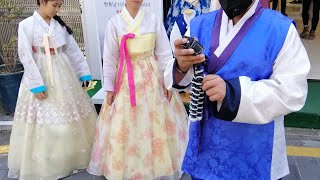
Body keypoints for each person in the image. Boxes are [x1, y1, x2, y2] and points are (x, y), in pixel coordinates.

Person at [164, 0, 310, 179]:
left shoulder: (280, 29)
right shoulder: (199, 25)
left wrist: (232, 93)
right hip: (205, 150)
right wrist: (181, 66)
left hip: (256, 153)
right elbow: (184, 79)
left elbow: (292, 91)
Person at [87, 0, 189, 179]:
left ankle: (156, 165)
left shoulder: (154, 19)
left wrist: (168, 83)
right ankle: (128, 166)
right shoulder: (114, 23)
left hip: (152, 79)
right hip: (125, 80)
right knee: (125, 122)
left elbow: (164, 53)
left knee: (155, 121)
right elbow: (110, 58)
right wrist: (109, 88)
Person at [7, 0, 97, 179]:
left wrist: (84, 74)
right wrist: (35, 84)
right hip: (40, 72)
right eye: (54, 5)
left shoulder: (60, 26)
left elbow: (73, 51)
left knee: (67, 116)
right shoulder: (26, 25)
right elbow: (25, 55)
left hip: (64, 73)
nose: (57, 9)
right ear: (41, 1)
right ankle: (48, 162)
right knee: (45, 119)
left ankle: (71, 157)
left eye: (59, 6)